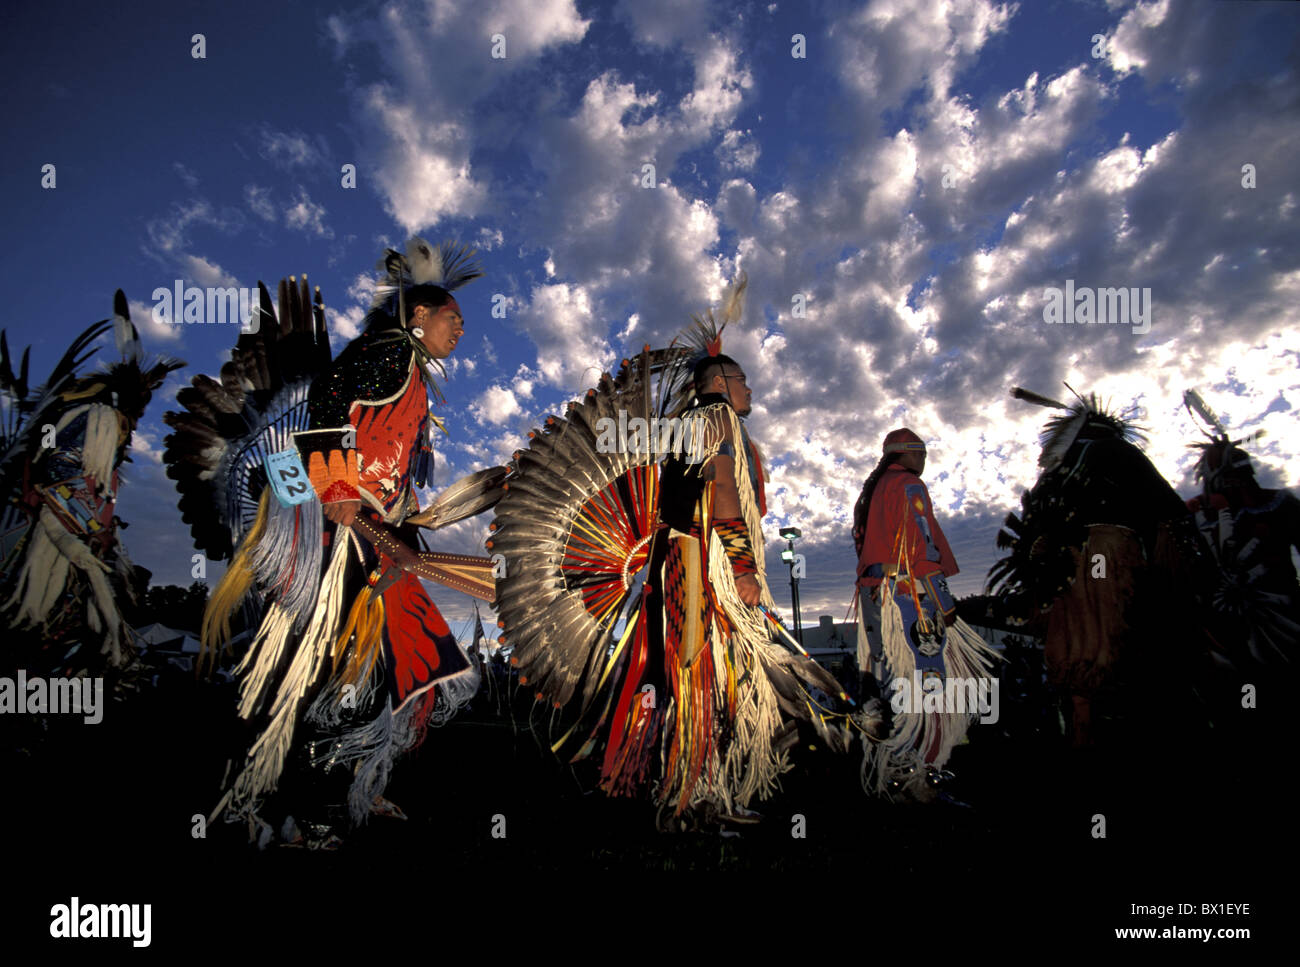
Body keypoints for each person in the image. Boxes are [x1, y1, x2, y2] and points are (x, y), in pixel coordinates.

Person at [204, 238, 485, 836]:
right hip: (337, 530)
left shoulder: (409, 376)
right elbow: (330, 397)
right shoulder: (387, 351)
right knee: (322, 662)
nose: (460, 329)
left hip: (371, 529)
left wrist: (405, 525)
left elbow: (390, 462)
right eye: (451, 318)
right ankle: (277, 805)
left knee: (378, 664)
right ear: (418, 316)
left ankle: (347, 785)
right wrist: (335, 489)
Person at [852, 428, 998, 801]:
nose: (925, 460)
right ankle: (923, 775)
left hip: (880, 599)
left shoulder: (873, 492)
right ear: (909, 454)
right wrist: (944, 602)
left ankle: (896, 774)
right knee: (929, 688)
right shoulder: (908, 486)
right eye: (923, 453)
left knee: (894, 685)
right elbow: (922, 546)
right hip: (911, 598)